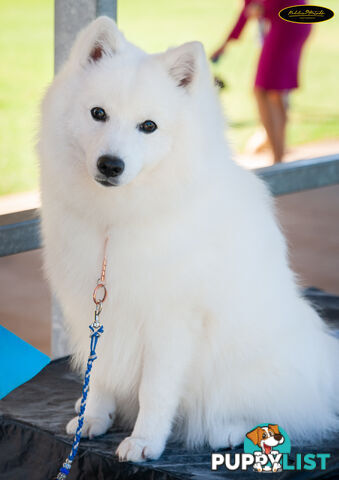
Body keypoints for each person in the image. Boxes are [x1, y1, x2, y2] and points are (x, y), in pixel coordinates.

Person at [211, 0, 312, 163]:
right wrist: (224, 46)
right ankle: (278, 151)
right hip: (292, 22)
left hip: (286, 24)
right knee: (273, 93)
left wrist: (263, 7)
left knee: (263, 91)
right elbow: (246, 13)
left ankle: (277, 157)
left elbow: (254, 8)